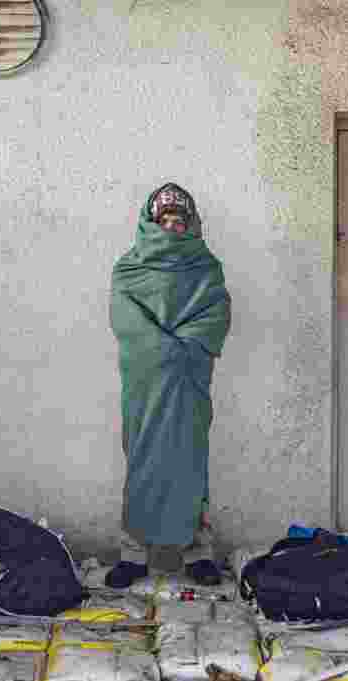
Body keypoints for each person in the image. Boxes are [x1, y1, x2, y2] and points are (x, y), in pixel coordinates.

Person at [107, 183, 232, 589]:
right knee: (142, 461)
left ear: (192, 223)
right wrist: (164, 349)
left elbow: (215, 313)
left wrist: (183, 351)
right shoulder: (129, 269)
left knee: (190, 465)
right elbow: (126, 319)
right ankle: (132, 554)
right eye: (166, 220)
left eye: (181, 220)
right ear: (152, 222)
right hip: (146, 385)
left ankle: (197, 553)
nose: (174, 227)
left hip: (189, 382)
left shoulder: (206, 267)